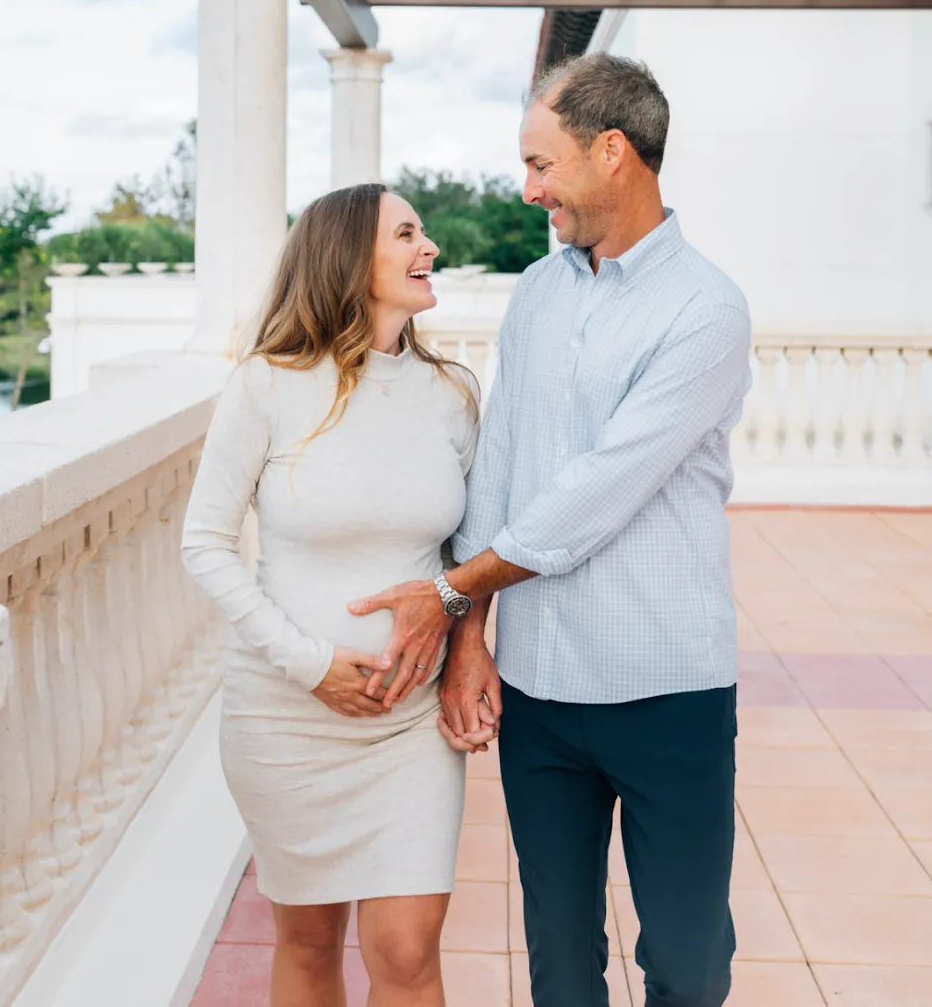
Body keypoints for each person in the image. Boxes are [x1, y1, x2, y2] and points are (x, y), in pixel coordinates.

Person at [347, 53, 752, 1007]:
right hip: (542, 695)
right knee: (561, 962)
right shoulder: (538, 291)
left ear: (613, 152)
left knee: (689, 968)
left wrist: (449, 593)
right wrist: (472, 640)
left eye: (542, 164)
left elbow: (596, 494)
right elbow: (502, 465)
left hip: (670, 690)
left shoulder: (707, 309)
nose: (529, 190)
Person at [181, 183, 485, 1007]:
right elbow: (202, 543)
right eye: (408, 234)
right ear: (350, 256)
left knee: (408, 949)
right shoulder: (266, 386)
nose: (430, 249)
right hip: (283, 714)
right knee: (310, 944)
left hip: (408, 723)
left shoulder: (453, 393)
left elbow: (468, 558)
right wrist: (311, 663)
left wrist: (465, 654)